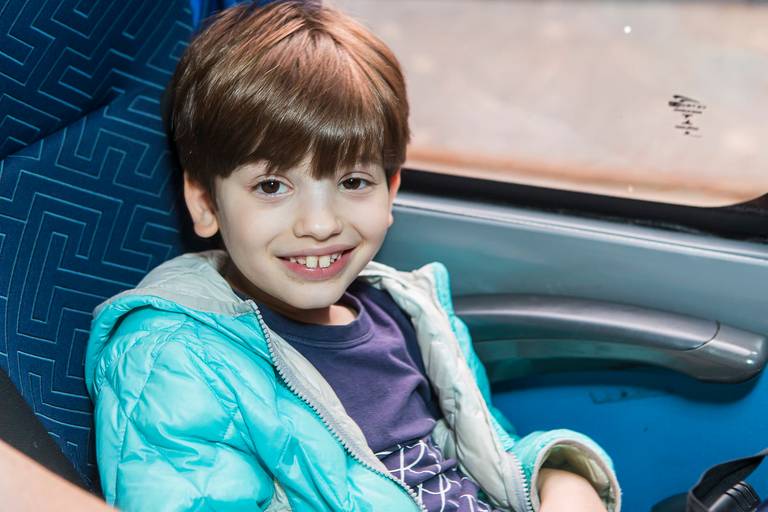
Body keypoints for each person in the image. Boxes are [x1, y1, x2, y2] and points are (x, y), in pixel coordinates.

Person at [85, 2, 621, 511]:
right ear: (205, 203)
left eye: (353, 182)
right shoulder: (174, 362)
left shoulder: (402, 312)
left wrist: (557, 477)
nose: (320, 224)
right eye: (271, 186)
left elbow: (474, 454)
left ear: (391, 192)